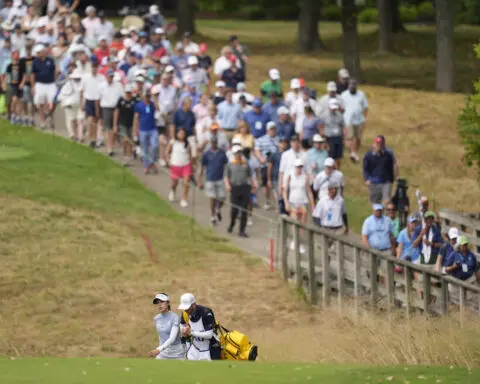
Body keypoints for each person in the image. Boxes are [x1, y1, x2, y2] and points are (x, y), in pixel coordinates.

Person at [284, 158, 315, 253]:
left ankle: (300, 243)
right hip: (293, 201)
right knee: (294, 222)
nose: (299, 169)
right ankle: (294, 240)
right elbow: (285, 190)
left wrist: (312, 205)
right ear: (295, 167)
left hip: (303, 202)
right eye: (298, 167)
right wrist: (286, 202)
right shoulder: (290, 176)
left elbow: (309, 191)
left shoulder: (305, 177)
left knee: (302, 224)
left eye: (301, 167)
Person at [178, 293, 221, 361]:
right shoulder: (185, 313)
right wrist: (183, 330)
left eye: (187, 307)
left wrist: (190, 332)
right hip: (195, 349)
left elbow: (209, 335)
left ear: (194, 304)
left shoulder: (206, 312)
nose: (186, 310)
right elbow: (182, 325)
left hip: (211, 349)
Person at [225, 145, 254, 237]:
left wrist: (253, 186)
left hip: (245, 187)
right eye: (237, 153)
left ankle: (242, 230)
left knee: (244, 210)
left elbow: (250, 176)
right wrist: (227, 185)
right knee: (234, 210)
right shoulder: (230, 164)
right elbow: (226, 176)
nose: (238, 154)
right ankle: (232, 224)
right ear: (234, 154)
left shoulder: (246, 164)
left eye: (240, 153)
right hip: (234, 187)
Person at [199, 136, 229, 226]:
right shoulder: (206, 154)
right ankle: (213, 216)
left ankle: (217, 209)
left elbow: (226, 165)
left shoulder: (222, 153)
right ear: (210, 143)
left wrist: (227, 178)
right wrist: (199, 179)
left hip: (220, 178)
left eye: (215, 142)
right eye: (212, 142)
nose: (214, 144)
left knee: (222, 198)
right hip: (210, 178)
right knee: (212, 198)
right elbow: (202, 166)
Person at [148, 293, 185, 360]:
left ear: (168, 303)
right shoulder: (156, 318)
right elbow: (161, 336)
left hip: (177, 354)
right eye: (157, 302)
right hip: (163, 353)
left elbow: (172, 338)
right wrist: (160, 350)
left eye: (162, 301)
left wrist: (158, 349)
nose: (159, 304)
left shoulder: (175, 317)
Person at [341, 78, 368, 163]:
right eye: (350, 85)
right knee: (350, 137)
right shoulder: (344, 95)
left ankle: (354, 152)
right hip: (348, 120)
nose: (352, 87)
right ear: (348, 86)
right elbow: (341, 107)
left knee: (358, 138)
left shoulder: (361, 94)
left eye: (353, 85)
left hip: (359, 120)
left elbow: (365, 107)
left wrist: (364, 117)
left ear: (356, 86)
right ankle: (353, 153)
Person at [363, 136, 395, 204]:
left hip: (386, 181)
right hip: (374, 182)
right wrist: (367, 179)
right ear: (374, 144)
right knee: (375, 204)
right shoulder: (368, 155)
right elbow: (365, 169)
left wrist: (391, 180)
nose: (379, 146)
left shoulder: (388, 155)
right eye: (377, 144)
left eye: (381, 144)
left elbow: (390, 168)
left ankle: (386, 214)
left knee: (387, 201)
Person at [254, 121, 279, 210]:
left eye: (274, 129)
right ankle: (267, 200)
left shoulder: (279, 139)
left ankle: (278, 202)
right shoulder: (260, 140)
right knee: (266, 185)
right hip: (265, 165)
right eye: (271, 129)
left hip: (276, 166)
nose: (273, 131)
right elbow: (256, 150)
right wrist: (261, 159)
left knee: (276, 183)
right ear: (267, 130)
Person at [134, 89, 158, 174]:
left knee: (155, 146)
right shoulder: (139, 105)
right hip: (143, 130)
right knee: (145, 149)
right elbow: (136, 118)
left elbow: (158, 108)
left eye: (149, 95)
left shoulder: (152, 104)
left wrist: (154, 98)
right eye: (147, 96)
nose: (148, 97)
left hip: (152, 129)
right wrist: (135, 130)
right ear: (143, 96)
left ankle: (152, 163)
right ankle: (146, 165)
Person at [99, 69, 124, 156]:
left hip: (116, 108)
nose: (111, 78)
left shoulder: (118, 85)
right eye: (109, 76)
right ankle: (110, 147)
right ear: (106, 76)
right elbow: (99, 98)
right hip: (106, 108)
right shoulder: (101, 86)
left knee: (115, 128)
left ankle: (112, 144)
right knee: (107, 128)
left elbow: (122, 97)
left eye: (112, 76)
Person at [32, 44, 56, 129]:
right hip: (40, 84)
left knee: (52, 101)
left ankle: (50, 117)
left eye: (39, 52)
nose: (38, 54)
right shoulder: (35, 62)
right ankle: (43, 121)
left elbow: (54, 71)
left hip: (50, 84)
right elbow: (33, 74)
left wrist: (55, 80)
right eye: (37, 53)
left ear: (43, 52)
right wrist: (33, 86)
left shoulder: (50, 60)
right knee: (41, 103)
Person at [167, 128, 192, 208]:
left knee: (186, 182)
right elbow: (167, 152)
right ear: (177, 134)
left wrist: (192, 164)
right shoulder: (173, 142)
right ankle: (172, 191)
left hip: (185, 165)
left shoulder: (187, 144)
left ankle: (184, 199)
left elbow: (190, 155)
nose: (181, 135)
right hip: (175, 165)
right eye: (180, 133)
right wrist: (168, 161)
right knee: (175, 183)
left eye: (183, 134)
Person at [81, 56, 103, 148]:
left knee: (96, 120)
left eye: (96, 67)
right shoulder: (85, 77)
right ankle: (91, 139)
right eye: (93, 67)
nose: (94, 69)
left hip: (98, 101)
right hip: (89, 100)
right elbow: (82, 91)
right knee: (90, 120)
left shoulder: (101, 78)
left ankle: (95, 137)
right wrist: (82, 102)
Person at [114, 83, 136, 166]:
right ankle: (125, 155)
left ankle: (129, 157)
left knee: (130, 140)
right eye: (127, 92)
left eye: (130, 92)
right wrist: (115, 124)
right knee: (125, 140)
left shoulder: (134, 101)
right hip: (122, 123)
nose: (128, 94)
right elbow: (116, 111)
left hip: (131, 123)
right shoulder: (121, 100)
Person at [57, 68, 82, 140]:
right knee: (70, 119)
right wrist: (65, 102)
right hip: (69, 105)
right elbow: (62, 95)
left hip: (78, 104)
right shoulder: (68, 84)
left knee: (78, 119)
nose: (77, 79)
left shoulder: (82, 84)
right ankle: (72, 134)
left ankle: (78, 134)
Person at [319, 98, 344, 168]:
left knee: (338, 157)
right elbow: (321, 127)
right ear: (329, 107)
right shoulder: (324, 115)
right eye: (332, 108)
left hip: (338, 137)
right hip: (329, 138)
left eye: (335, 108)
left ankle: (337, 171)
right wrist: (323, 139)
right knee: (330, 157)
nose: (333, 110)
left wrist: (344, 138)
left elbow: (343, 127)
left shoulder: (340, 115)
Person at [268, 137, 287, 213]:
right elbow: (269, 167)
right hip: (276, 177)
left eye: (284, 142)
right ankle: (279, 207)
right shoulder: (274, 155)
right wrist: (269, 179)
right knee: (278, 195)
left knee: (283, 194)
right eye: (281, 142)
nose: (283, 144)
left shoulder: (288, 154)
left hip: (285, 178)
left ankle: (282, 208)